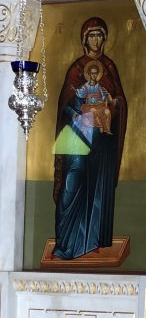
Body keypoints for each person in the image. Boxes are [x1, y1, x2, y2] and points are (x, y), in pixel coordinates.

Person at [52, 17, 127, 261]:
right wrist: (78, 108)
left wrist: (112, 104)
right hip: (78, 137)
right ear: (85, 39)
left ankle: (92, 241)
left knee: (97, 190)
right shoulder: (76, 69)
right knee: (72, 184)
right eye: (92, 35)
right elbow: (65, 102)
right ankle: (65, 242)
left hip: (102, 142)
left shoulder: (110, 67)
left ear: (105, 38)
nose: (96, 40)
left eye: (99, 35)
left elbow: (120, 100)